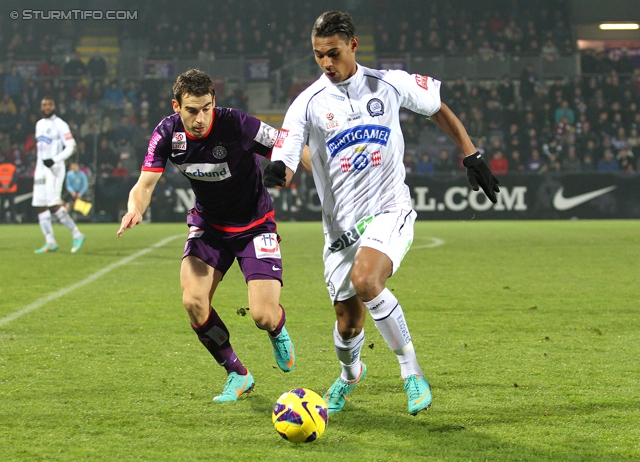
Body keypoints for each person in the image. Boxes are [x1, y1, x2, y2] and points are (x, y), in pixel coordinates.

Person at [263, 11, 499, 416]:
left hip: (390, 209)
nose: (326, 64)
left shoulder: (389, 83)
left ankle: (412, 372)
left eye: (333, 53)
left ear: (353, 45)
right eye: (318, 55)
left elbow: (436, 107)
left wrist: (470, 152)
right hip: (340, 229)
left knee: (367, 280)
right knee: (347, 322)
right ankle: (351, 374)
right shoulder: (307, 104)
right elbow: (285, 155)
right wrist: (277, 172)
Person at [116, 69, 295, 403]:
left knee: (263, 315)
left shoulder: (237, 124)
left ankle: (277, 329)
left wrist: (290, 167)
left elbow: (287, 142)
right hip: (209, 226)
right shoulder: (166, 133)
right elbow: (144, 184)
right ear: (176, 106)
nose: (200, 118)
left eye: (206, 108)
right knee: (193, 301)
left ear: (214, 102)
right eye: (191, 110)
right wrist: (135, 208)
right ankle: (237, 374)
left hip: (254, 225)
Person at [32, 97, 86, 253]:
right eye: (44, 105)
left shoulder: (60, 124)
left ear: (54, 106)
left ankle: (77, 234)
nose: (47, 107)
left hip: (54, 168)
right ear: (41, 107)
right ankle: (50, 241)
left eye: (50, 104)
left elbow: (72, 146)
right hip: (40, 168)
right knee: (39, 204)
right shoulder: (39, 124)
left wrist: (55, 159)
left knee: (53, 203)